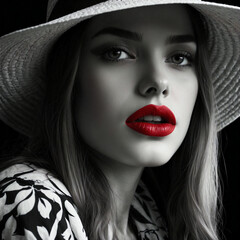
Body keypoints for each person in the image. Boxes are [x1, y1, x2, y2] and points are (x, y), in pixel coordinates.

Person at [0, 0, 239, 239]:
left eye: (179, 58)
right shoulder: (30, 200)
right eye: (117, 53)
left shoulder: (143, 209)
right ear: (67, 77)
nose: (158, 82)